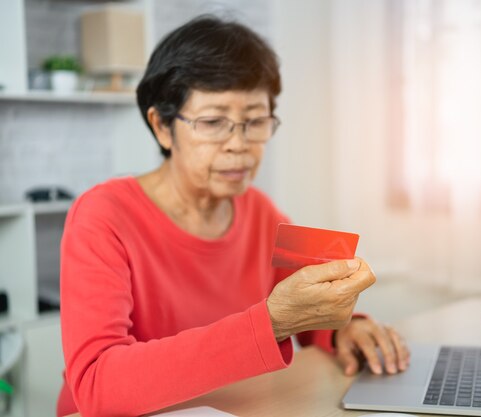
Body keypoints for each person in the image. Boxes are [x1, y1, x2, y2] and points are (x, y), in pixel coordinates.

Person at [57, 15, 410, 417]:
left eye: (255, 121)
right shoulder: (101, 215)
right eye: (213, 123)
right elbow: (97, 383)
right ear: (162, 126)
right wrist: (268, 325)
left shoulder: (261, 210)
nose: (239, 145)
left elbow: (313, 311)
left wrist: (350, 327)